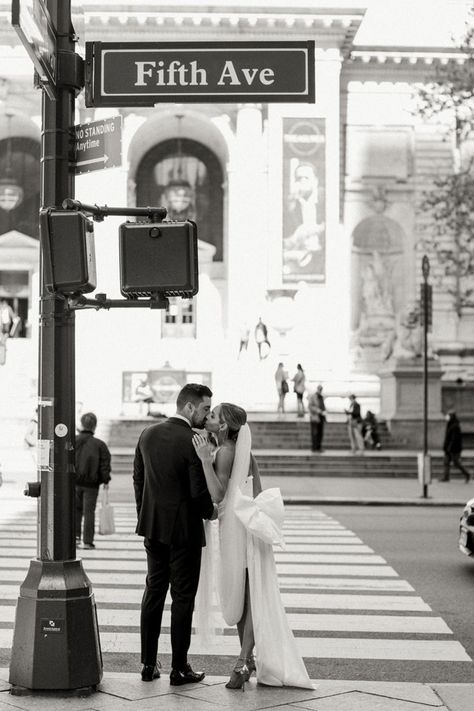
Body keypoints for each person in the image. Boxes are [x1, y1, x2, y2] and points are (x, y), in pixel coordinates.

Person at [192, 403, 313, 691]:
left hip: (238, 531)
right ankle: (246, 660)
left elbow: (220, 495)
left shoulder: (225, 453)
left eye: (213, 416)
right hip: (247, 526)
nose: (207, 417)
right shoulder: (241, 450)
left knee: (246, 596)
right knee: (247, 594)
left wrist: (205, 461)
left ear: (222, 426)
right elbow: (254, 489)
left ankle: (244, 660)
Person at [133, 383, 216, 685]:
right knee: (183, 598)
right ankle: (179, 667)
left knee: (153, 592)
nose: (207, 416)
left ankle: (147, 663)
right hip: (185, 532)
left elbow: (138, 481)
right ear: (190, 407)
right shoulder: (193, 441)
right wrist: (212, 511)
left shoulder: (148, 434)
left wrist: (146, 515)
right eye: (205, 409)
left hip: (153, 529)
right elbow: (198, 493)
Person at [75, 412, 112, 550]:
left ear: (81, 424)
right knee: (89, 512)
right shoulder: (100, 445)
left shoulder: (73, 441)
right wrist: (105, 480)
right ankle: (88, 541)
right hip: (92, 485)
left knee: (76, 510)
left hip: (74, 483)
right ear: (94, 426)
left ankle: (75, 538)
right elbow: (104, 465)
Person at [440, 410, 471, 483]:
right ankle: (446, 477)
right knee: (446, 462)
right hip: (448, 448)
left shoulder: (455, 426)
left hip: (454, 449)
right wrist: (446, 447)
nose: (447, 417)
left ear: (452, 416)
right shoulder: (450, 424)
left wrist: (449, 448)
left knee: (456, 463)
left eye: (448, 415)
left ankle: (467, 474)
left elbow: (454, 439)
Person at [308, 384, 326, 452]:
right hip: (315, 417)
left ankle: (319, 446)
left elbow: (322, 406)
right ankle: (314, 447)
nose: (320, 390)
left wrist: (324, 412)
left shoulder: (321, 397)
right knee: (315, 432)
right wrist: (318, 411)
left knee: (320, 433)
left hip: (321, 417)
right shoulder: (313, 396)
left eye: (321, 389)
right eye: (319, 389)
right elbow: (310, 406)